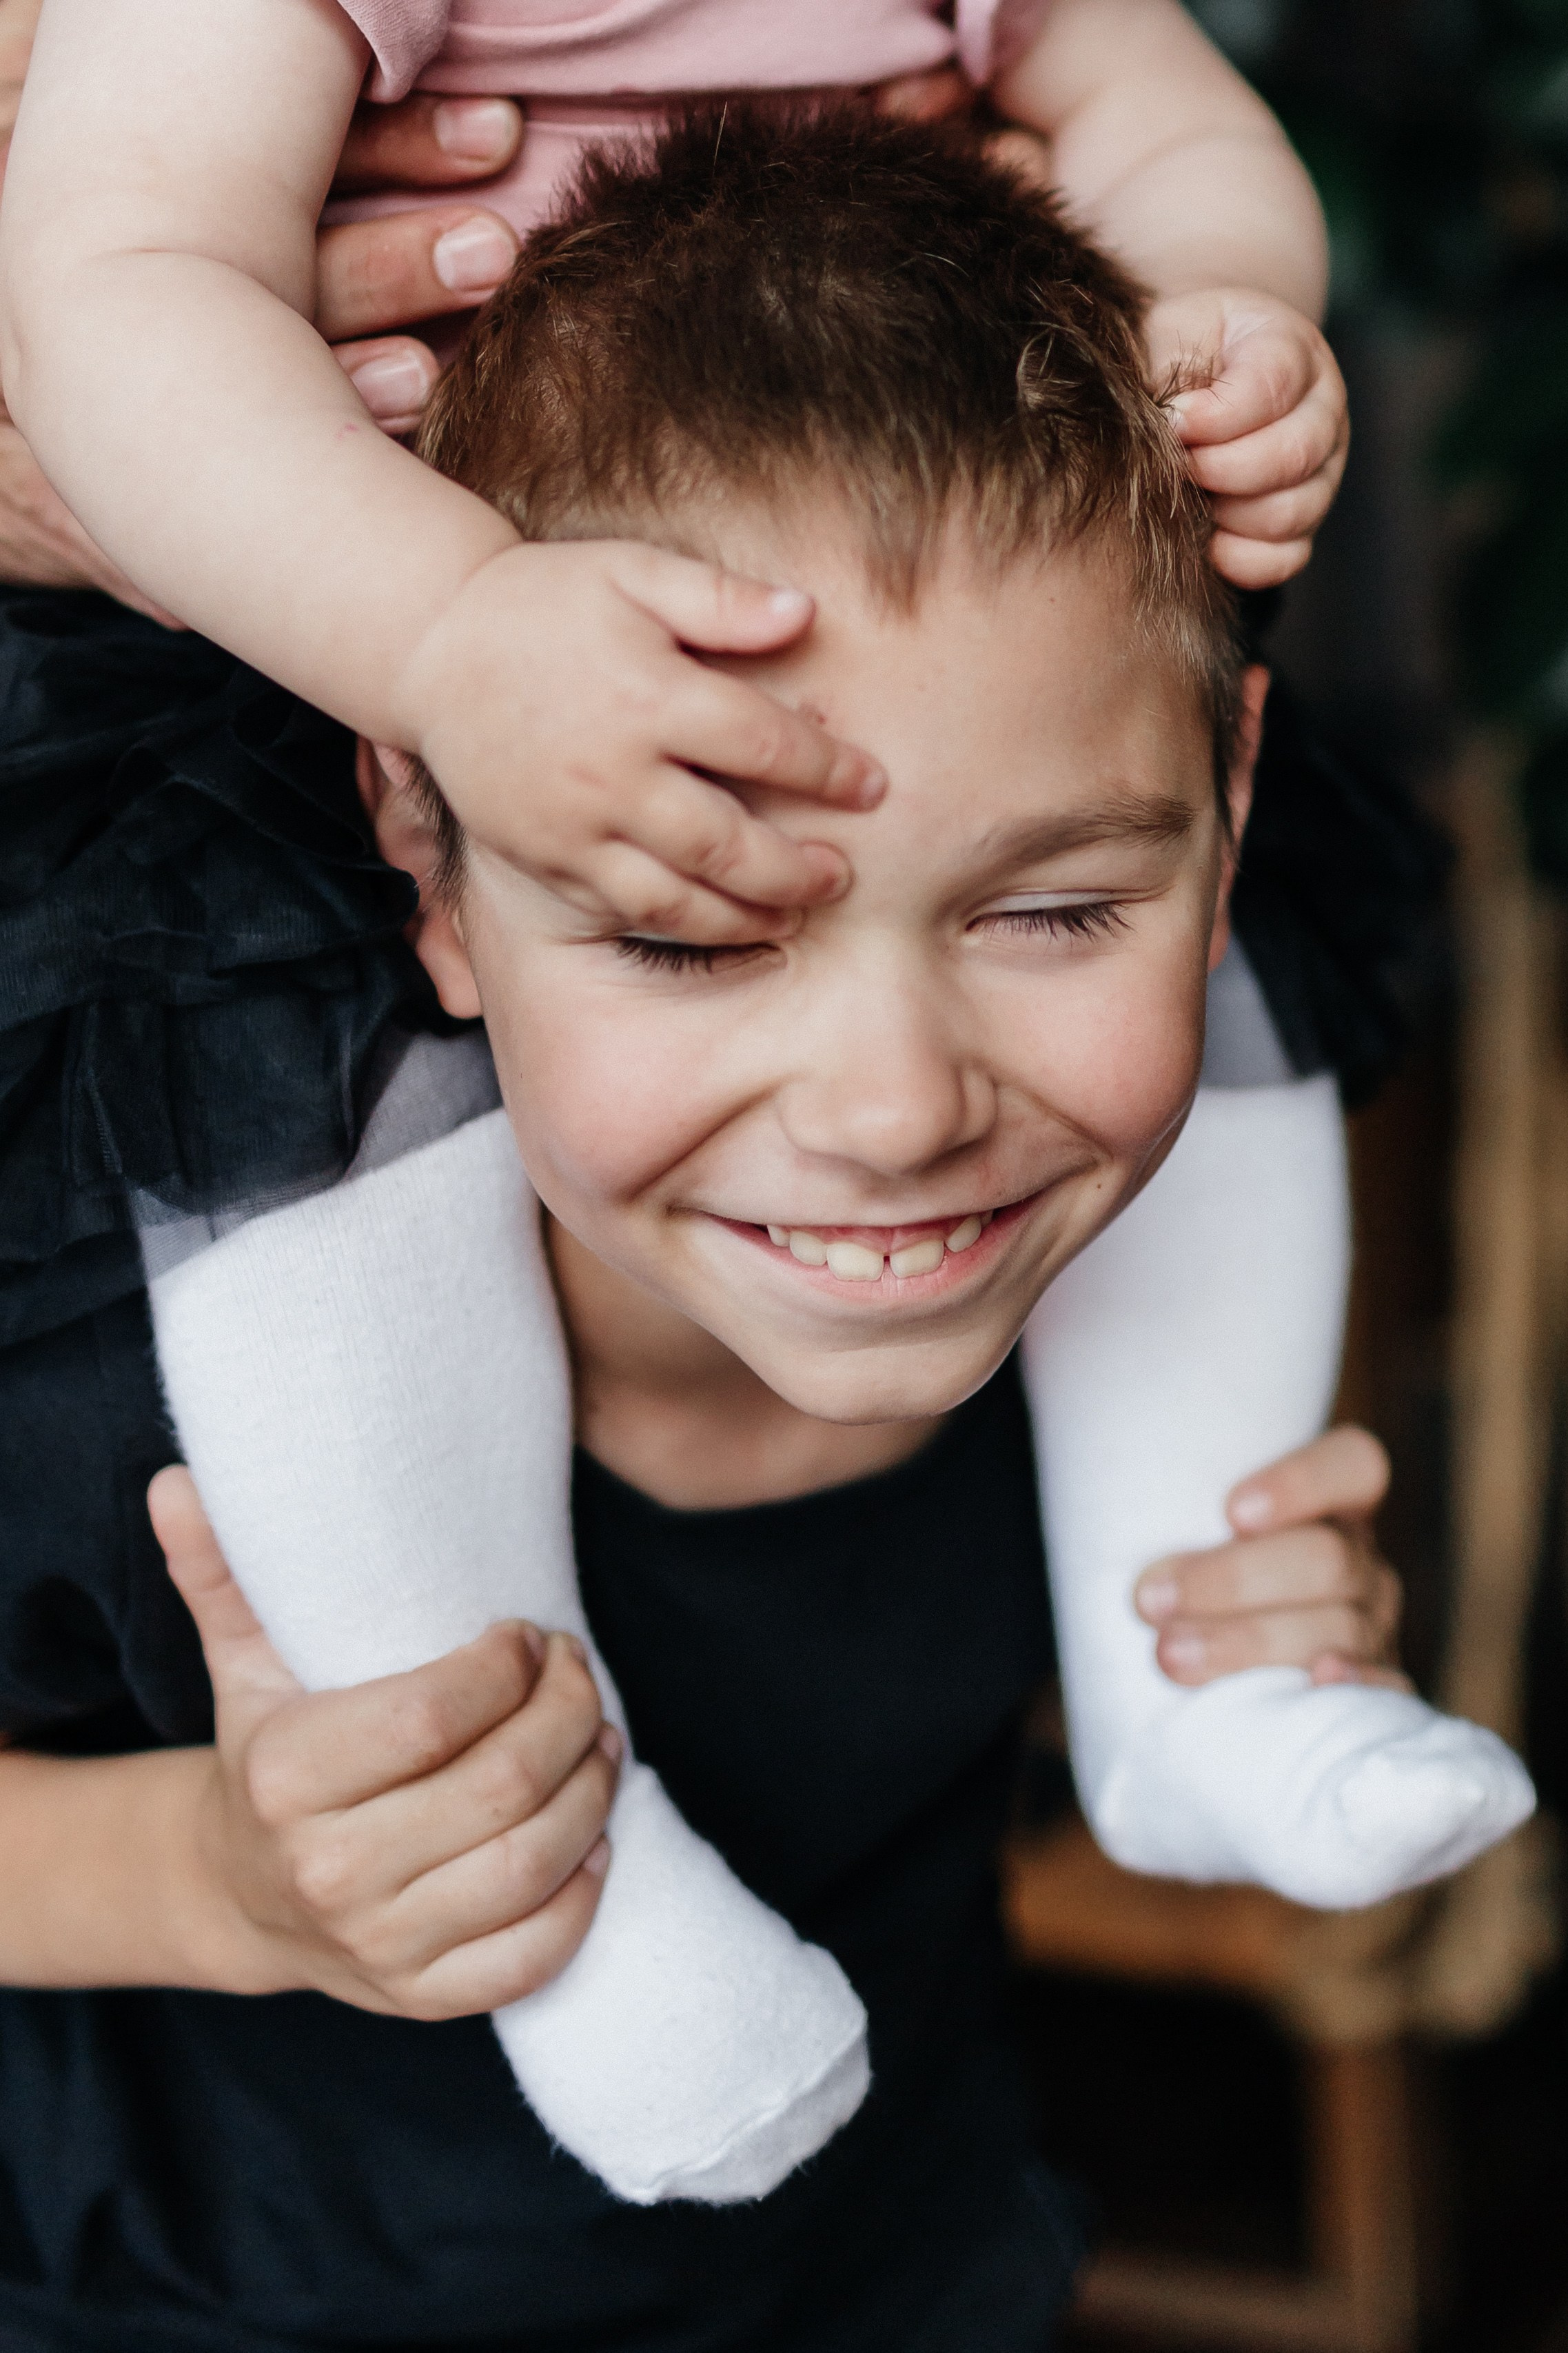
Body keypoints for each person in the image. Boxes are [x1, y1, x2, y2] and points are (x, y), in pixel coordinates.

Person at [0, 106, 1520, 2349]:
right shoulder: (125, 1346)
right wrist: (217, 1885)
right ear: (426, 860)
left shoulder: (1138, 1280)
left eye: (1057, 907)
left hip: (895, 2265)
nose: (899, 1114)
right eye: (696, 942)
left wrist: (1233, 1641)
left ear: (1227, 810)